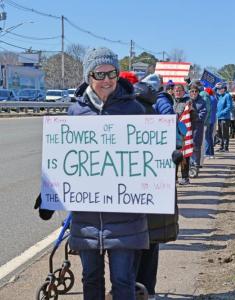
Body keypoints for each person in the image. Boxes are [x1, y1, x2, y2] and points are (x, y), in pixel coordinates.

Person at [65, 47, 149, 300]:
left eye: (111, 73)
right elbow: (66, 159)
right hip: (87, 217)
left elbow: (147, 152)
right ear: (87, 76)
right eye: (99, 74)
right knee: (90, 279)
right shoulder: (76, 111)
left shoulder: (134, 109)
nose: (106, 80)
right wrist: (50, 194)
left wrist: (168, 159)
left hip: (125, 215)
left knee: (123, 281)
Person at [135, 75, 179, 300]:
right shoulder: (153, 106)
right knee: (149, 243)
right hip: (150, 190)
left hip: (132, 191)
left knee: (134, 247)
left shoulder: (127, 109)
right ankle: (147, 292)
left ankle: (138, 291)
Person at [173, 84, 191, 185]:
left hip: (183, 134)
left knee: (184, 156)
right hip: (172, 133)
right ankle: (174, 177)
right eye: (176, 90)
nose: (178, 92)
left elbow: (191, 116)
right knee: (174, 156)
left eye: (180, 90)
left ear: (184, 92)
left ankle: (185, 177)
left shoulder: (187, 102)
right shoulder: (170, 101)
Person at [188, 83, 207, 174]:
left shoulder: (202, 101)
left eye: (196, 91)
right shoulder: (187, 101)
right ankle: (189, 165)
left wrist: (195, 116)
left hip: (197, 127)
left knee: (196, 146)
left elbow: (203, 114)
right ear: (189, 92)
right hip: (187, 127)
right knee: (187, 146)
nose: (194, 93)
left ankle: (195, 165)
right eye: (192, 91)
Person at [215, 83, 233, 152]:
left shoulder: (227, 96)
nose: (219, 90)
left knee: (224, 133)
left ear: (224, 89)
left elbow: (229, 107)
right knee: (219, 133)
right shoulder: (220, 96)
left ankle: (226, 147)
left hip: (225, 117)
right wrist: (216, 87)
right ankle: (221, 146)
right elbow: (213, 92)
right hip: (219, 117)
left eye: (220, 89)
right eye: (219, 89)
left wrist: (221, 113)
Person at [204, 87, 218, 158]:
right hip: (213, 119)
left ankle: (207, 153)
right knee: (210, 137)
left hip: (208, 120)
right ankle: (211, 153)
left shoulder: (208, 99)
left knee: (207, 137)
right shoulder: (214, 98)